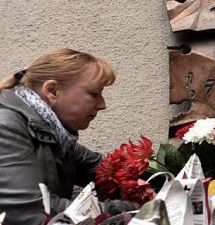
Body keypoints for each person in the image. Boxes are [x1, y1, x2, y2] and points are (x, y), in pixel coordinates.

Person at [0, 49, 135, 224]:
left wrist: (158, 180)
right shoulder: (7, 127)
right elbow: (28, 212)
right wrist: (129, 210)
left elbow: (103, 170)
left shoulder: (57, 136)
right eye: (94, 94)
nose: (103, 105)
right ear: (52, 91)